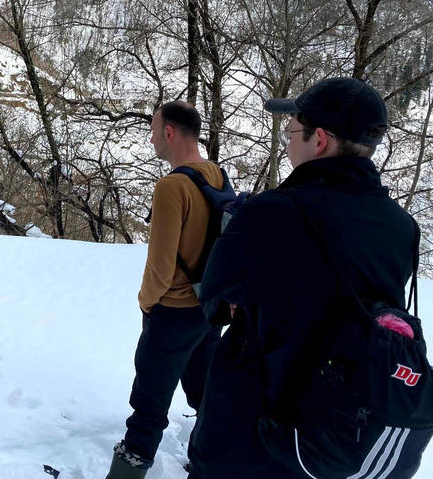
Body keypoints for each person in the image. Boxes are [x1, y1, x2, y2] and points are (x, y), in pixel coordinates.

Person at [187, 78, 419, 478]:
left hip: (251, 433)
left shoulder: (270, 213)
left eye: (293, 130)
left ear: (321, 140)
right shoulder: (402, 227)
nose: (289, 139)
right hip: (332, 434)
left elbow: (215, 297)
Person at [106, 101, 223, 479]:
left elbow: (160, 263)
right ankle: (209, 464)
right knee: (205, 392)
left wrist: (147, 303)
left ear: (169, 133)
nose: (152, 138)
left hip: (172, 311)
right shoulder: (215, 175)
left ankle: (127, 472)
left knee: (149, 401)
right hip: (209, 308)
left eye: (155, 131)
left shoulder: (172, 186)